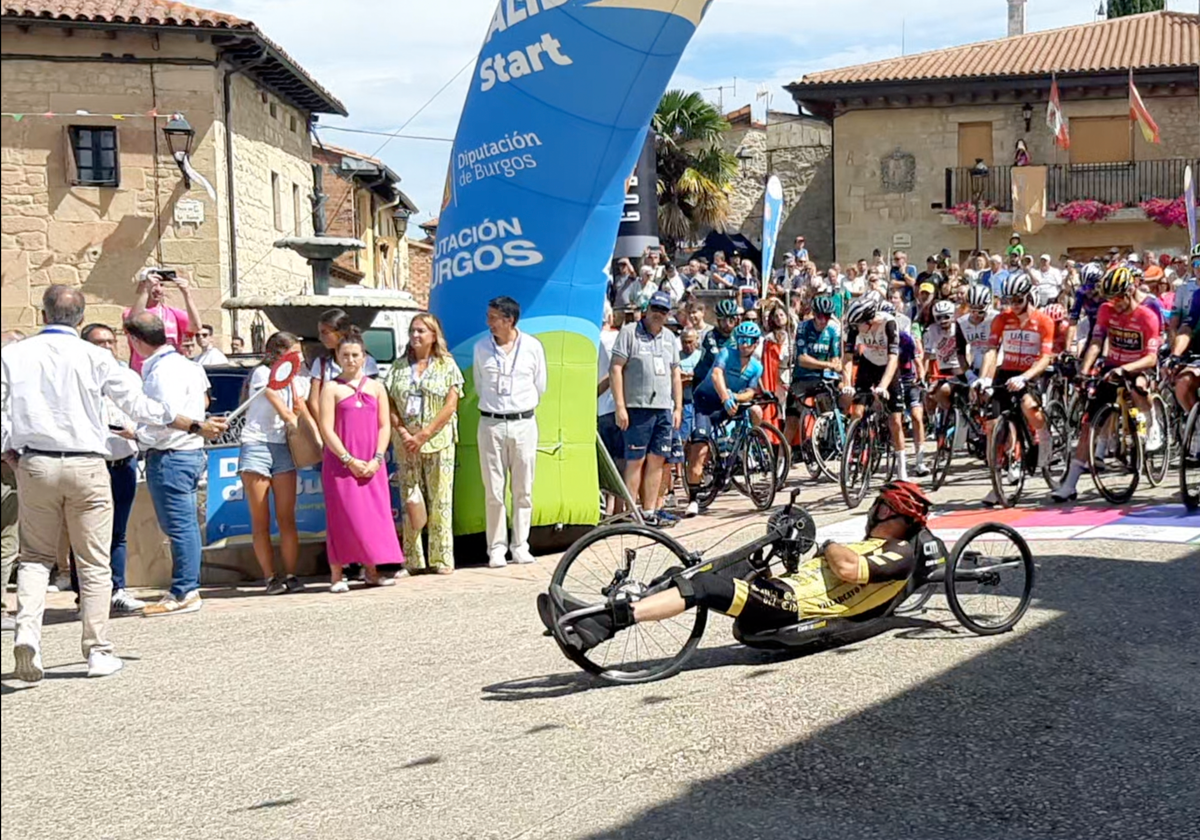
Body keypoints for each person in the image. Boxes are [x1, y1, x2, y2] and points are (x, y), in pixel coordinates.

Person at [1, 288, 224, 682]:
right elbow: (141, 407)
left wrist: (8, 449)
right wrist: (191, 424)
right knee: (93, 561)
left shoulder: (14, 354)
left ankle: (28, 635)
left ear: (43, 312)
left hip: (36, 460)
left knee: (35, 558)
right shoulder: (97, 357)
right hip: (87, 462)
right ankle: (97, 650)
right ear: (82, 317)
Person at [541, 482, 935, 652]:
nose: (872, 511)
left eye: (878, 505)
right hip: (783, 591)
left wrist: (829, 545)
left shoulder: (900, 553)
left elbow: (848, 570)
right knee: (709, 569)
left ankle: (603, 624)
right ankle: (603, 611)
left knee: (708, 589)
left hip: (796, 607)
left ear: (889, 511)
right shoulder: (870, 542)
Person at [127, 312, 219, 617]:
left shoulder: (161, 372)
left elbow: (163, 416)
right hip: (189, 452)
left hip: (171, 454)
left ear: (136, 341)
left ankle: (185, 590)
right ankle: (186, 587)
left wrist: (135, 432)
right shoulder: (188, 365)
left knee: (180, 527)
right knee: (184, 525)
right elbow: (204, 402)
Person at [1051, 267, 1164, 502]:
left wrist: (1127, 368)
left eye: (1119, 297)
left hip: (1139, 365)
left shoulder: (1148, 316)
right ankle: (1070, 484)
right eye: (1110, 298)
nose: (1115, 303)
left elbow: (1152, 358)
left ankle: (1151, 421)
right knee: (1088, 424)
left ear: (1130, 290)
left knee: (1139, 387)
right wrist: (1084, 371)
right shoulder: (1105, 310)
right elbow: (1096, 341)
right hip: (1112, 365)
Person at [319, 329, 403, 591]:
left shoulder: (377, 388)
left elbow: (384, 426)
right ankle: (337, 573)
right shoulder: (331, 388)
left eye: (356, 355)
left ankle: (372, 569)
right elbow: (326, 428)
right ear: (337, 356)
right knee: (341, 516)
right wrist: (347, 459)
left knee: (371, 516)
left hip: (371, 463)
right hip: (341, 465)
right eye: (345, 355)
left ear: (364, 357)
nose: (351, 360)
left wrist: (378, 458)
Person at [384, 313, 464, 575]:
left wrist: (425, 434)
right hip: (406, 442)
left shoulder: (447, 366)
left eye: (422, 331)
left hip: (438, 440)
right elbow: (390, 403)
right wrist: (404, 432)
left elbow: (451, 405)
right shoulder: (397, 367)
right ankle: (412, 558)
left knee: (440, 498)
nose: (416, 336)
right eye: (413, 331)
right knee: (411, 499)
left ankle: (441, 558)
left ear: (433, 336)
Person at [474, 296, 547, 568]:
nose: (489, 323)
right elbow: (480, 385)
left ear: (509, 320)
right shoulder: (481, 347)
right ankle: (496, 548)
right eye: (489, 317)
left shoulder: (532, 347)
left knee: (523, 488)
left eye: (493, 318)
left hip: (523, 423)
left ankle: (521, 545)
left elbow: (540, 385)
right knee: (494, 489)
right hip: (491, 423)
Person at [80, 323, 148, 614]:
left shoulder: (128, 376)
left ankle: (117, 589)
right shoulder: (80, 378)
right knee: (85, 534)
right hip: (92, 462)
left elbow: (142, 409)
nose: (107, 347)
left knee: (118, 531)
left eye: (111, 341)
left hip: (123, 460)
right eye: (99, 343)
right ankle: (85, 596)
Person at [238, 331, 310, 595]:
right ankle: (270, 577)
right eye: (294, 351)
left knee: (286, 516)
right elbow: (273, 397)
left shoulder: (298, 379)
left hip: (282, 446)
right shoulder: (262, 374)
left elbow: (301, 407)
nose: (299, 356)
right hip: (257, 444)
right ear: (281, 353)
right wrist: (292, 418)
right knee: (261, 519)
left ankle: (290, 574)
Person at [975, 273, 1055, 506]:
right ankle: (997, 482)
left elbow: (1045, 357)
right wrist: (983, 378)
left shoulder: (1043, 321)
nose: (1013, 305)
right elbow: (991, 350)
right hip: (1006, 370)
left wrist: (1026, 376)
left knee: (1029, 407)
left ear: (1029, 297)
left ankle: (1044, 437)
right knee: (991, 427)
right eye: (1009, 301)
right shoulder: (1002, 319)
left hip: (1030, 372)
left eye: (1018, 300)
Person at [611, 292, 682, 526]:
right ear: (647, 308)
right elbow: (616, 369)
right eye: (655, 309)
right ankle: (632, 512)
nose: (658, 314)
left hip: (663, 407)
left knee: (658, 460)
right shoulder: (629, 332)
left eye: (663, 311)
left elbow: (675, 373)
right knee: (636, 460)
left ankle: (649, 512)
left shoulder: (670, 337)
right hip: (637, 407)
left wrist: (678, 407)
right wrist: (620, 405)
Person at [686, 322, 766, 513]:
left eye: (748, 341)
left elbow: (750, 392)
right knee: (701, 450)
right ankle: (693, 498)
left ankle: (743, 449)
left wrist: (735, 397)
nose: (744, 345)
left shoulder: (756, 367)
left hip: (730, 402)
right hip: (706, 402)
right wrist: (725, 396)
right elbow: (716, 375)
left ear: (755, 344)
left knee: (756, 412)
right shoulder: (726, 353)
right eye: (741, 340)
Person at [841, 292, 912, 481]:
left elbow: (893, 359)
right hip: (868, 363)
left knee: (895, 421)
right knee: (857, 410)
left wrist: (883, 386)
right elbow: (847, 358)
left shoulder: (889, 324)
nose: (856, 329)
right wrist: (848, 383)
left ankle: (901, 468)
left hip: (888, 368)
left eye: (859, 326)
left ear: (870, 321)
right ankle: (856, 447)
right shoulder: (856, 327)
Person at [784, 294, 842, 452]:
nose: (823, 320)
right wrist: (828, 364)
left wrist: (836, 363)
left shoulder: (833, 330)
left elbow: (835, 356)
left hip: (821, 378)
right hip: (802, 377)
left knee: (835, 399)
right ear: (814, 314)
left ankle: (828, 436)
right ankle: (781, 460)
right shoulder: (803, 327)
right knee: (791, 421)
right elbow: (802, 359)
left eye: (827, 316)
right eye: (819, 316)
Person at [124, 267, 202, 374]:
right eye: (154, 285)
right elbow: (132, 323)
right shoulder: (130, 312)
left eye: (161, 285)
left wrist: (186, 294)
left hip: (170, 369)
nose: (158, 289)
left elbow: (196, 327)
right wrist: (146, 290)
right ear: (142, 285)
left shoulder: (174, 313)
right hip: (141, 371)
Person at [306, 308, 380, 421]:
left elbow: (373, 398)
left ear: (340, 332)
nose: (320, 338)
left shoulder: (367, 362)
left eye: (325, 333)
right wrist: (325, 427)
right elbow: (313, 401)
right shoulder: (321, 364)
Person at [692, 297, 740, 387]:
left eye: (731, 320)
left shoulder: (738, 335)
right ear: (718, 321)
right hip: (706, 381)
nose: (728, 324)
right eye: (724, 320)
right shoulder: (711, 336)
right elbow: (717, 357)